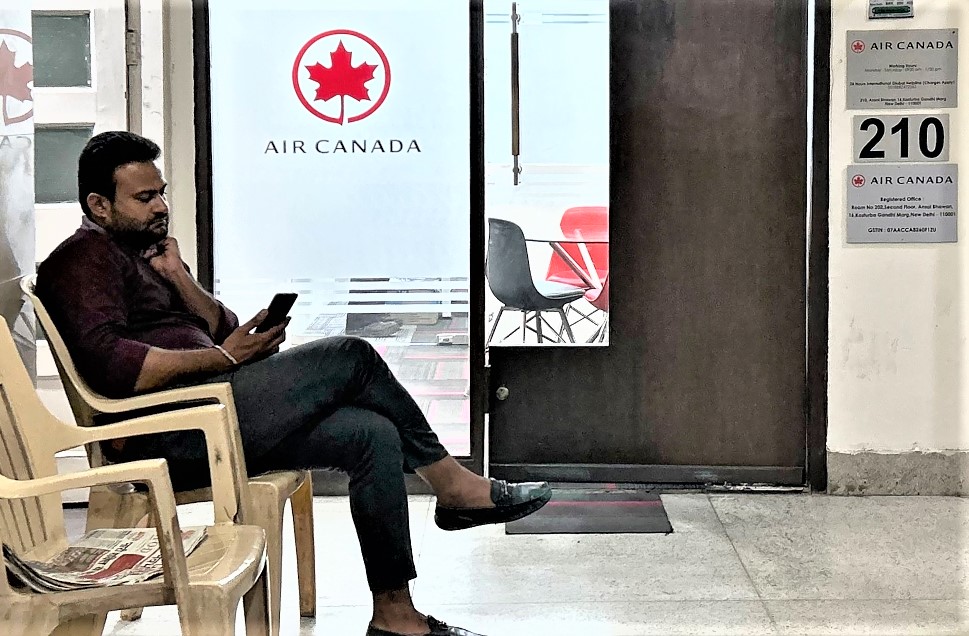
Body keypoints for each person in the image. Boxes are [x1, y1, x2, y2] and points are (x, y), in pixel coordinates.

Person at [35, 131, 552, 636]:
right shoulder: (81, 260)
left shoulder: (147, 253)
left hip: (218, 406)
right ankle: (453, 486)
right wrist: (220, 357)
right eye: (145, 197)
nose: (160, 206)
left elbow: (221, 325)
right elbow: (114, 366)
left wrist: (181, 281)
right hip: (176, 432)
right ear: (99, 205)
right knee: (352, 356)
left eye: (162, 192)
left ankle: (396, 615)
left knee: (373, 434)